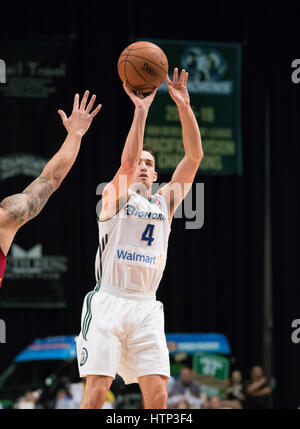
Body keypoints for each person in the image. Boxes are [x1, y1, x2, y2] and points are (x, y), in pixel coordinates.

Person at [76, 68, 204, 409]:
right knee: (96, 395)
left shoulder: (166, 202)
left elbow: (194, 158)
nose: (143, 166)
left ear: (156, 174)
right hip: (109, 303)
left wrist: (183, 106)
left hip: (147, 305)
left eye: (150, 163)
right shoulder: (113, 197)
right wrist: (142, 109)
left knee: (159, 397)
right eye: (140, 163)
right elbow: (127, 161)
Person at [0, 91, 102, 286]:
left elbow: (49, 180)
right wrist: (75, 134)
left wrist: (76, 135)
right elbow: (49, 180)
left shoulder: (5, 218)